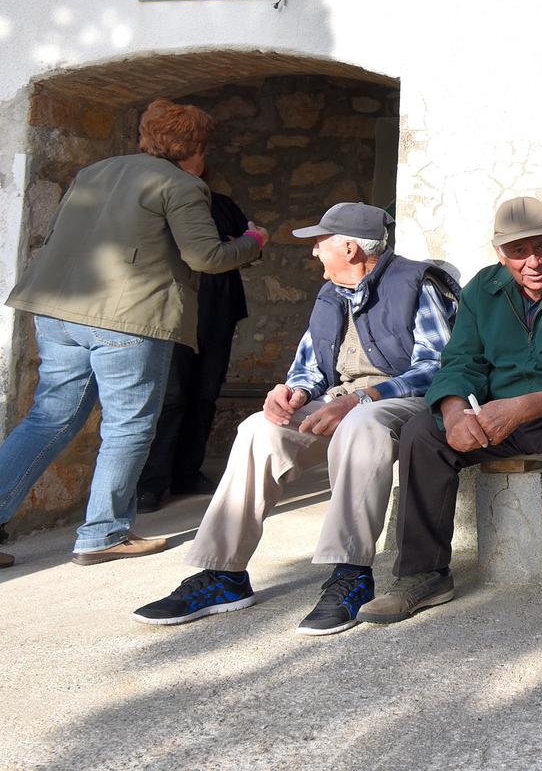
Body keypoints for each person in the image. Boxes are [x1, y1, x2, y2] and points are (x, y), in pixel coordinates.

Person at [133, 203, 456, 636]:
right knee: (258, 429)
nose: (314, 252)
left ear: (349, 247)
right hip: (340, 400)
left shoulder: (418, 284)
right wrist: (293, 392)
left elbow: (438, 366)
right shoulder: (331, 294)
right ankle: (223, 574)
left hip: (401, 400)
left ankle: (351, 574)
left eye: (320, 242)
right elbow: (311, 366)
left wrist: (362, 397)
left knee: (363, 425)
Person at [0, 98, 265, 568]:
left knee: (49, 418)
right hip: (127, 319)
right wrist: (252, 243)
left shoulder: (95, 171)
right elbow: (205, 257)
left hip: (58, 310)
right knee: (128, 426)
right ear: (196, 148)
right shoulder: (183, 185)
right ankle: (103, 533)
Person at [358, 197, 542, 637]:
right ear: (500, 254)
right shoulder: (483, 288)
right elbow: (461, 360)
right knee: (422, 432)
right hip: (492, 416)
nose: (534, 262)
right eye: (519, 252)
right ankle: (422, 575)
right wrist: (454, 409)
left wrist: (524, 406)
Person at [136, 189, 251, 512]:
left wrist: (235, 245)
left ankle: (187, 473)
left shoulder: (222, 203)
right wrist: (225, 246)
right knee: (170, 395)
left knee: (205, 392)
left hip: (218, 308)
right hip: (173, 309)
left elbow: (250, 246)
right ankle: (151, 483)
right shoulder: (161, 199)